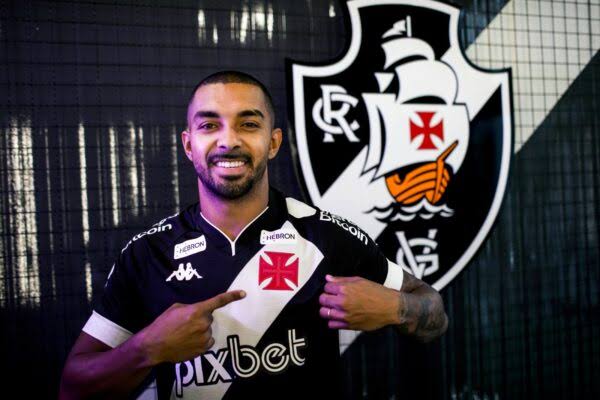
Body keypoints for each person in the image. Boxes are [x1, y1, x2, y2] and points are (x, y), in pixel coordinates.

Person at [59, 71, 448, 399]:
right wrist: (147, 349)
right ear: (188, 145)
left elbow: (434, 311)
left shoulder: (325, 235)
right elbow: (73, 388)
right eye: (209, 125)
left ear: (273, 142)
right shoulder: (148, 254)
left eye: (248, 124)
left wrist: (397, 308)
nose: (229, 140)